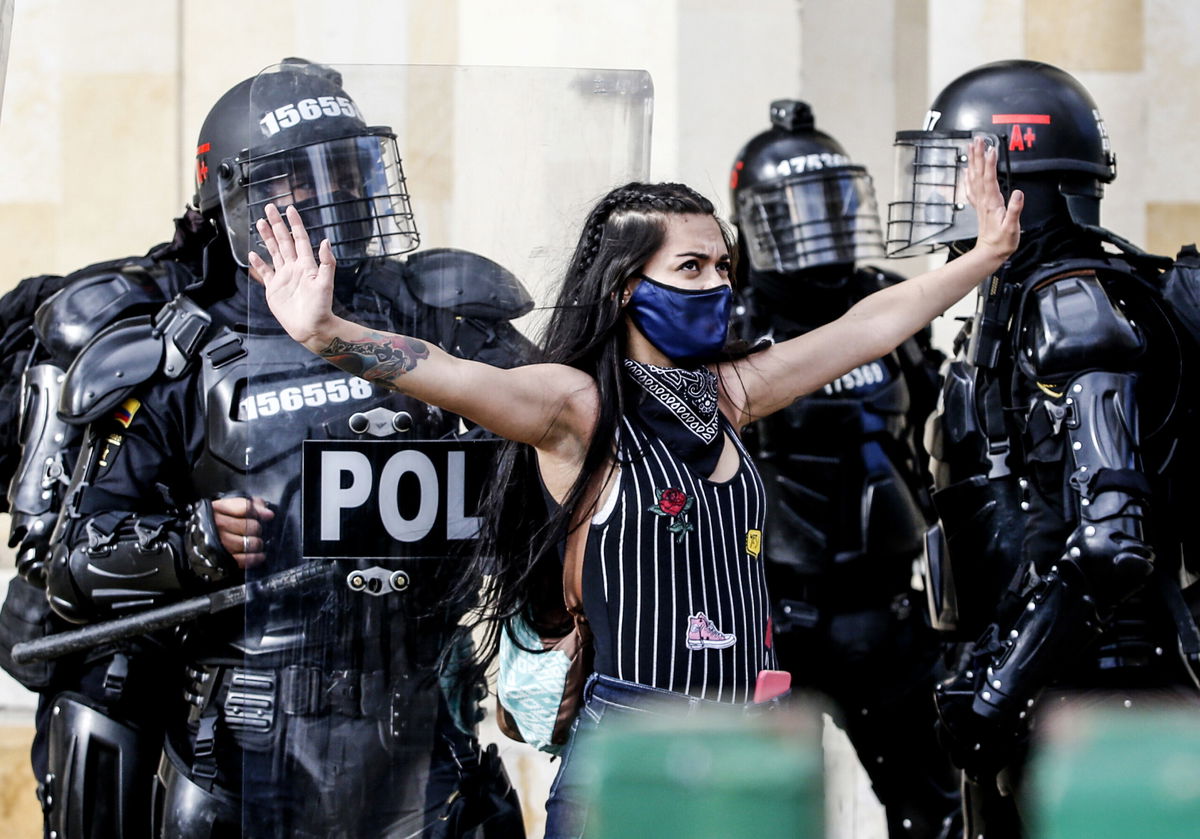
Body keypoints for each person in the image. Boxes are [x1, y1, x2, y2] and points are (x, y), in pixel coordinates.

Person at [252, 134, 1020, 838]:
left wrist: (982, 256)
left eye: (723, 265)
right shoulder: (574, 405)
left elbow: (867, 325)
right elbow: (447, 371)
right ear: (626, 285)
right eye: (691, 267)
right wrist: (326, 334)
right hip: (634, 749)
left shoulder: (725, 394)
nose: (717, 283)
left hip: (747, 741)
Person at [42, 59, 530, 838]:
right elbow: (71, 565)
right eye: (294, 187)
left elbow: (568, 443)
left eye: (343, 171)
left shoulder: (446, 317)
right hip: (244, 750)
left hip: (426, 730)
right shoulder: (180, 358)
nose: (328, 200)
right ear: (235, 205)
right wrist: (190, 542)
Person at [887, 59, 1200, 837]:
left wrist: (999, 688)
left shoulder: (1076, 311)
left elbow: (1111, 543)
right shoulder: (1017, 297)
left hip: (1101, 695)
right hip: (1039, 680)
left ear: (1013, 175)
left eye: (957, 169)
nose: (946, 194)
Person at [728, 99, 959, 839]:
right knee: (759, 819)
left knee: (938, 808)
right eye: (795, 207)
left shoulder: (885, 305)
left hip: (888, 611)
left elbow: (940, 437)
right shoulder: (727, 323)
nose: (818, 221)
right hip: (768, 618)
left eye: (830, 200)